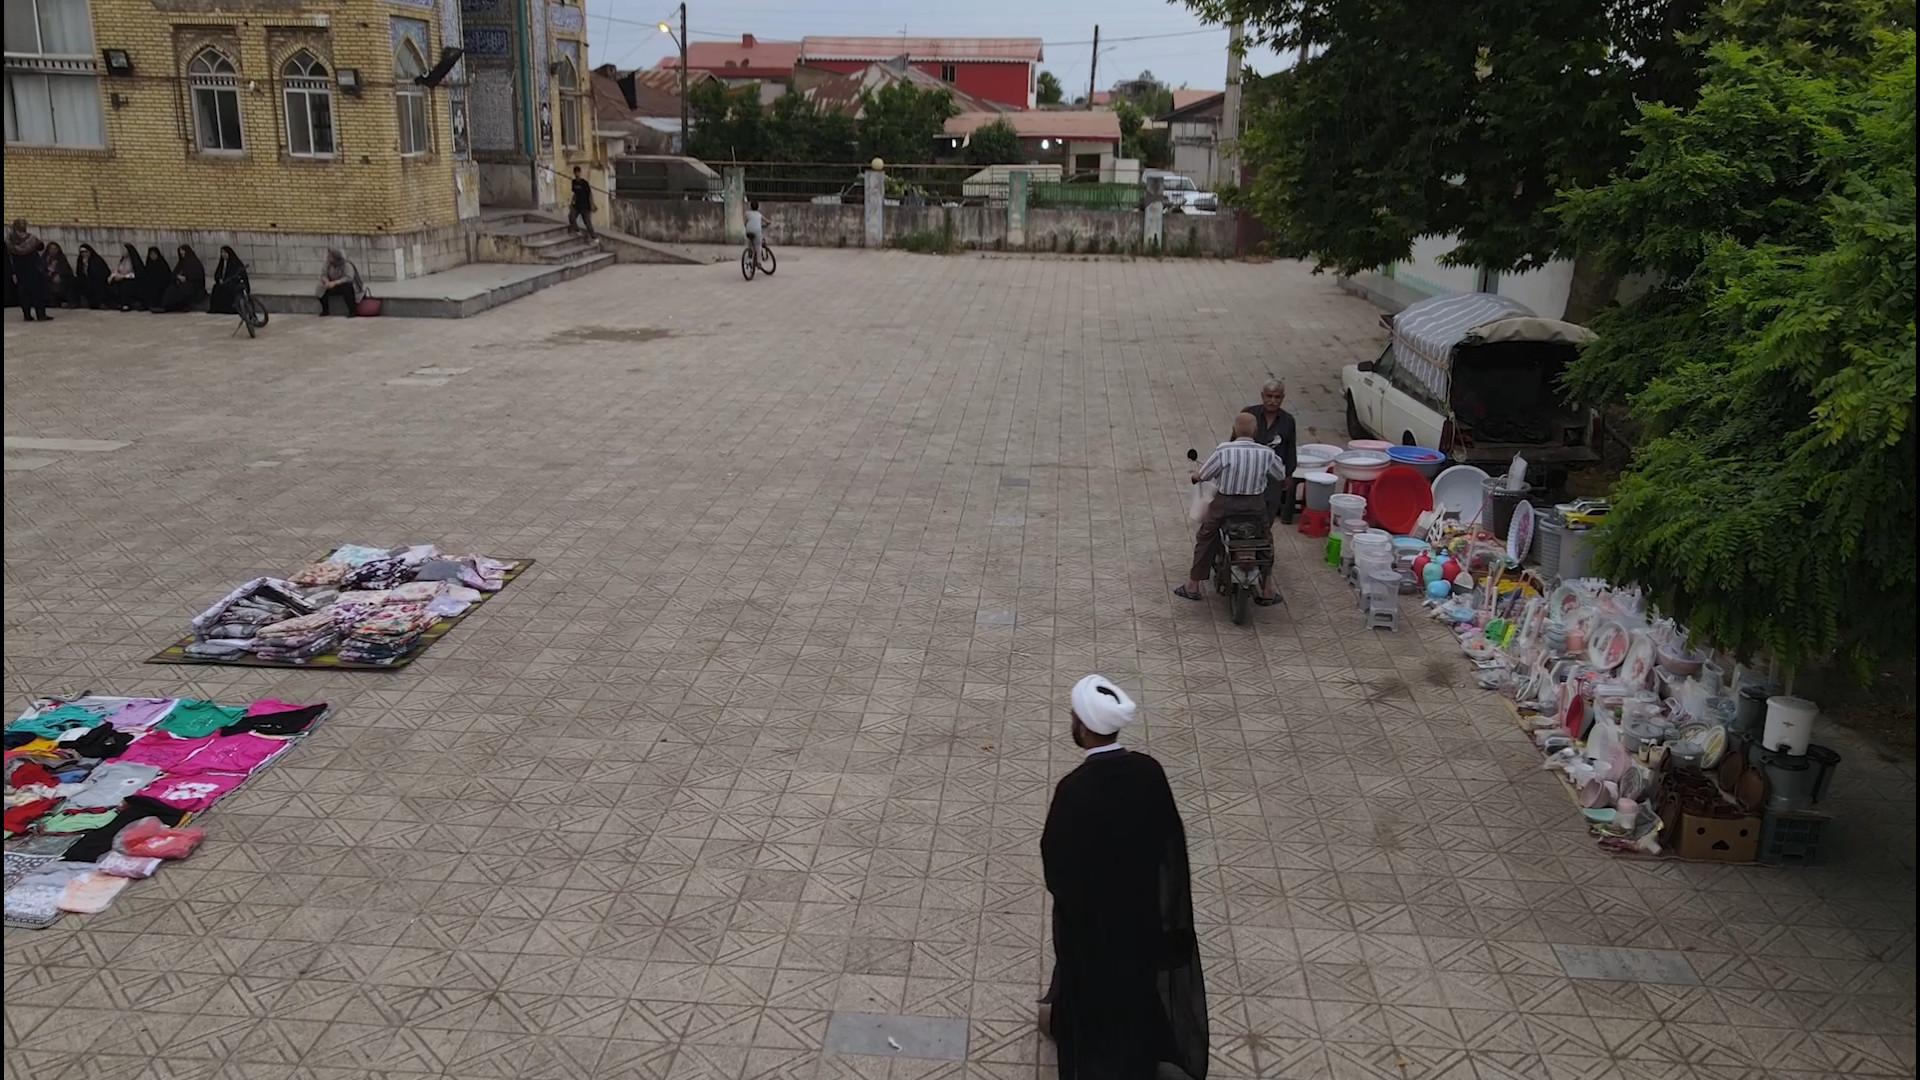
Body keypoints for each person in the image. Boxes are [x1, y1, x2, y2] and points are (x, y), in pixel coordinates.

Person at [1039, 675, 1208, 1080]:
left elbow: (1056, 862)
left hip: (1093, 924)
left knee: (1093, 989)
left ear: (1082, 726)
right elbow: (1169, 841)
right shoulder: (1149, 772)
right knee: (1134, 988)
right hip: (1141, 914)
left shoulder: (1075, 789)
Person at [1176, 412, 1285, 605]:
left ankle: (1193, 586)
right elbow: (1280, 474)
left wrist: (1195, 477)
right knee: (1265, 541)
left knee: (1206, 536)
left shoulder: (1224, 451)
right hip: (1255, 506)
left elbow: (1205, 473)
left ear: (1234, 430)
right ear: (1256, 431)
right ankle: (1267, 589)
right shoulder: (1266, 453)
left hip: (1226, 504)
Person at [1238, 379, 1299, 525]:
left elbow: (1291, 449)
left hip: (1274, 476)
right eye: (1269, 396)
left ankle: (1264, 542)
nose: (1272, 401)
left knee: (1268, 514)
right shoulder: (1249, 414)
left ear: (1282, 398)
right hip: (1249, 474)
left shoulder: (1288, 420)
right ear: (1262, 396)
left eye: (1277, 397)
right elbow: (1235, 441)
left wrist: (1289, 475)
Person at [6, 219, 52, 322]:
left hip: (20, 269)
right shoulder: (30, 238)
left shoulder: (9, 240)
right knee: (38, 291)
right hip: (33, 268)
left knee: (23, 292)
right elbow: (41, 247)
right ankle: (41, 315)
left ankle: (27, 315)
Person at [153, 243, 206, 312]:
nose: (182, 256)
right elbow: (175, 273)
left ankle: (178, 306)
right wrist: (177, 277)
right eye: (181, 254)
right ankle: (165, 306)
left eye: (184, 254)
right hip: (180, 283)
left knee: (183, 290)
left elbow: (197, 277)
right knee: (170, 289)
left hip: (192, 284)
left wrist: (186, 278)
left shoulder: (194, 262)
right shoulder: (181, 262)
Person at [318, 248, 365, 316]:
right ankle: (325, 310)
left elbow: (349, 278)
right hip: (331, 284)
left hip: (343, 284)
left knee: (347, 287)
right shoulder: (328, 264)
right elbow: (323, 274)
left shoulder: (346, 265)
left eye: (330, 256)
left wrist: (335, 282)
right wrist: (327, 282)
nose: (328, 257)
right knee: (320, 287)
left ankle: (352, 311)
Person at [207, 246, 249, 314]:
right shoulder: (222, 263)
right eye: (222, 252)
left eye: (225, 252)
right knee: (216, 287)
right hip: (224, 282)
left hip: (234, 283)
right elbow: (217, 274)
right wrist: (219, 279)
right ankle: (217, 308)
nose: (223, 254)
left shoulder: (235, 262)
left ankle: (230, 308)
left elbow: (238, 275)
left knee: (229, 289)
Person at [73, 244, 110, 309]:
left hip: (97, 279)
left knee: (97, 284)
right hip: (86, 279)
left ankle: (101, 303)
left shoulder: (96, 259)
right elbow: (79, 272)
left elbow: (99, 272)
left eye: (85, 252)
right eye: (82, 252)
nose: (84, 254)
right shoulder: (80, 260)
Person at [567, 166, 597, 240]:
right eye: (575, 173)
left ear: (580, 173)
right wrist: (572, 203)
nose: (577, 174)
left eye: (578, 172)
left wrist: (592, 204)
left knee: (587, 223)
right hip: (577, 205)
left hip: (585, 206)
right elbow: (575, 194)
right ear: (574, 173)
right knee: (571, 217)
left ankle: (594, 238)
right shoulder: (573, 182)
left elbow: (590, 194)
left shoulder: (584, 183)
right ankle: (577, 230)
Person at [43, 241, 76, 309]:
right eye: (51, 249)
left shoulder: (61, 258)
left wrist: (60, 275)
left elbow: (67, 271)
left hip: (60, 279)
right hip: (47, 279)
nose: (53, 251)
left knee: (65, 282)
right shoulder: (44, 259)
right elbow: (41, 271)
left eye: (55, 249)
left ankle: (64, 301)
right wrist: (50, 276)